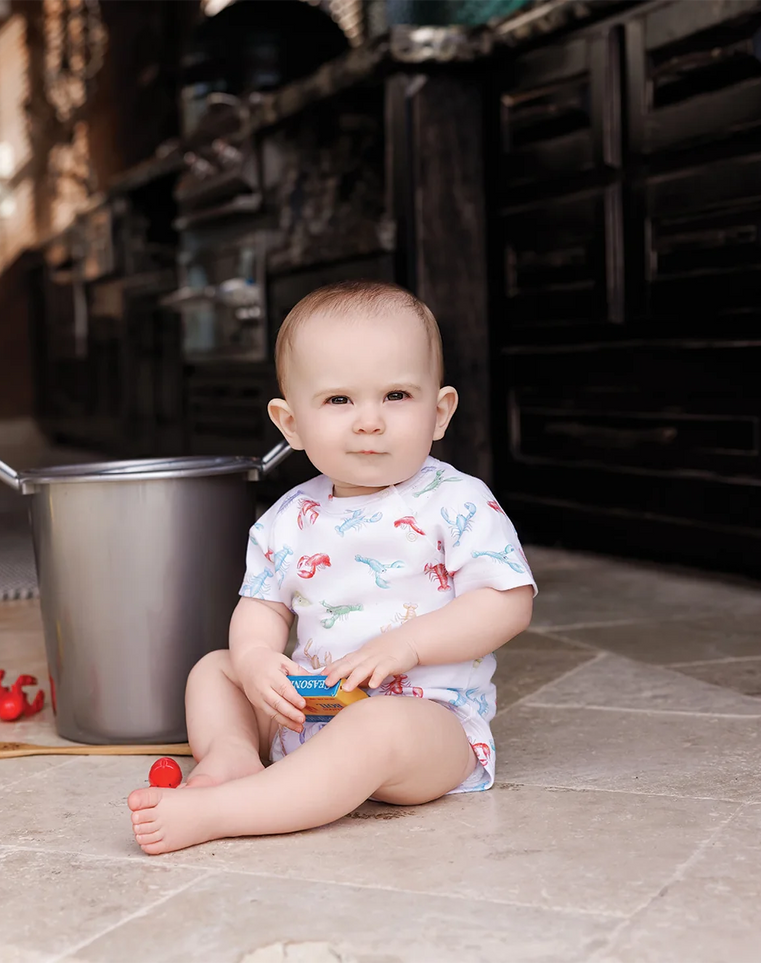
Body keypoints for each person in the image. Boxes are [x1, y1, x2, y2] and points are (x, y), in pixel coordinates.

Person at [128, 280, 537, 854]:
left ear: (439, 412)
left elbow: (507, 601)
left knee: (379, 728)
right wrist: (255, 663)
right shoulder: (286, 519)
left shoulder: (458, 501)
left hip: (426, 724)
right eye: (339, 400)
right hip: (311, 705)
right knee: (214, 670)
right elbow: (261, 607)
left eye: (396, 396)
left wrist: (409, 645)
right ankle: (233, 758)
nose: (369, 421)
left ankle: (225, 811)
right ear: (291, 423)